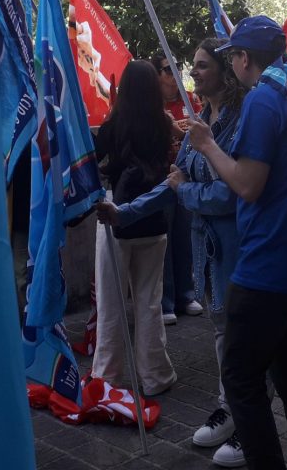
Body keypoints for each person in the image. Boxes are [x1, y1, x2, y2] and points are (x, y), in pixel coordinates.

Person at [189, 15, 287, 470]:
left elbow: (247, 185)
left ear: (243, 58)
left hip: (269, 263)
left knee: (240, 378)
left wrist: (207, 145)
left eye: (232, 56)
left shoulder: (266, 99)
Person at [98, 40, 248, 466]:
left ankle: (251, 423)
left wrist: (187, 191)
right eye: (192, 66)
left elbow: (232, 193)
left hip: (239, 249)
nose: (192, 74)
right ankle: (230, 409)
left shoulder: (243, 123)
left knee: (246, 337)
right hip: (205, 252)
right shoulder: (199, 123)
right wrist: (125, 212)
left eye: (201, 66)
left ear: (226, 71)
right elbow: (173, 182)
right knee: (222, 332)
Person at [90, 60, 177, 396]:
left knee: (110, 303)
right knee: (149, 302)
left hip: (115, 218)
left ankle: (107, 377)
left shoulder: (112, 126)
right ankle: (155, 376)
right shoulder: (164, 124)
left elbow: (93, 163)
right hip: (153, 219)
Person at [150, 53, 203, 324]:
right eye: (167, 70)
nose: (175, 74)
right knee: (165, 242)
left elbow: (201, 136)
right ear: (156, 76)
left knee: (185, 238)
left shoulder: (191, 100)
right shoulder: (150, 107)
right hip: (161, 180)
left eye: (177, 67)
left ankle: (187, 294)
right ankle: (166, 301)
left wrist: (179, 131)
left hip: (187, 179)